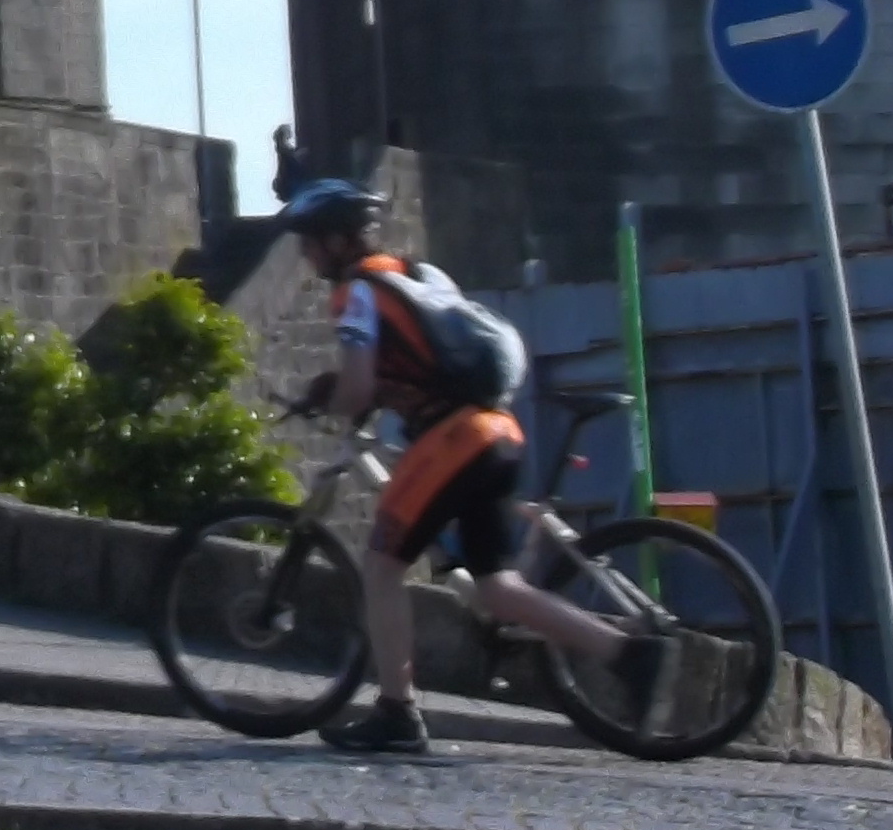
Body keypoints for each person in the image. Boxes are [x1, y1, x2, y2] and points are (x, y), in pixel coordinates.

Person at [277, 177, 651, 754]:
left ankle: (397, 713)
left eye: (308, 242)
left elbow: (357, 387)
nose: (304, 254)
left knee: (380, 567)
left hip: (454, 440)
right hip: (496, 431)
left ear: (334, 241)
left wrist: (330, 399)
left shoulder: (357, 294)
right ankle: (628, 655)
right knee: (498, 587)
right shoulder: (419, 277)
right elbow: (422, 360)